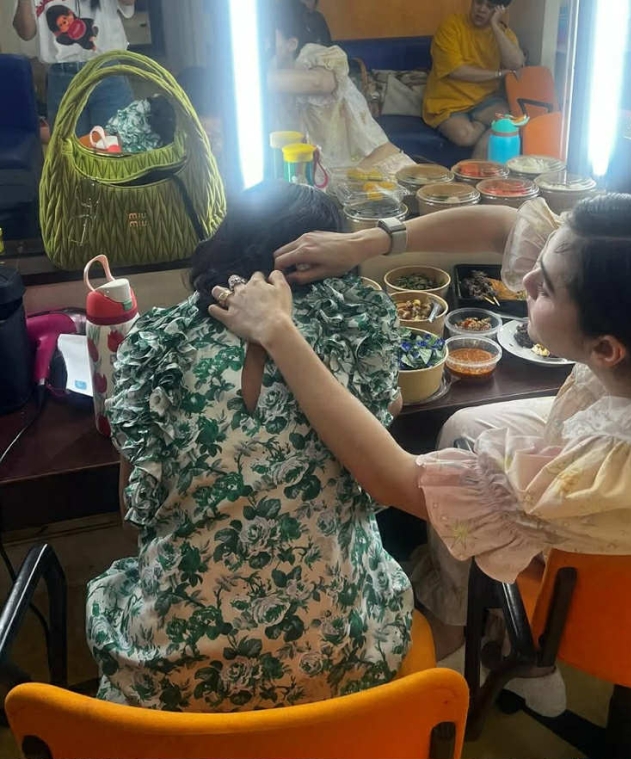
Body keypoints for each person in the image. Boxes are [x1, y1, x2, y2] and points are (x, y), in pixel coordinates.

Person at [209, 162, 631, 715]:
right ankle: (461, 606)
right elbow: (504, 227)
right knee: (466, 429)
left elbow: (393, 479)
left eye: (545, 288)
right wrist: (367, 241)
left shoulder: (618, 472)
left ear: (605, 349)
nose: (526, 277)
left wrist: (280, 332)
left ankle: (513, 652)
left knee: (459, 487)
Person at [86, 182, 413, 712]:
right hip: (339, 673)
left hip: (176, 692)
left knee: (122, 583)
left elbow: (133, 514)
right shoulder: (354, 325)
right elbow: (385, 420)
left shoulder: (156, 345)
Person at [267, 0, 412, 174]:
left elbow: (319, 82)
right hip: (332, 180)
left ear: (291, 44)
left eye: (268, 35)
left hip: (379, 168)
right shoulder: (266, 80)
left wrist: (251, 77)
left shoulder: (315, 56)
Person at [13, 0, 135, 136]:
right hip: (62, 77)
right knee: (67, 146)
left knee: (116, 143)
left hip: (106, 71)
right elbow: (25, 33)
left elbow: (128, 2)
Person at [423, 0, 525, 158]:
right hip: (448, 102)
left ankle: (478, 170)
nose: (481, 9)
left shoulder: (503, 33)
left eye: (489, 6)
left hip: (486, 100)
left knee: (506, 125)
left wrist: (495, 26)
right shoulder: (451, 25)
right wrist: (498, 74)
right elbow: (456, 71)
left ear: (500, 10)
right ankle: (481, 123)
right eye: (478, 2)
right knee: (466, 137)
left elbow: (516, 63)